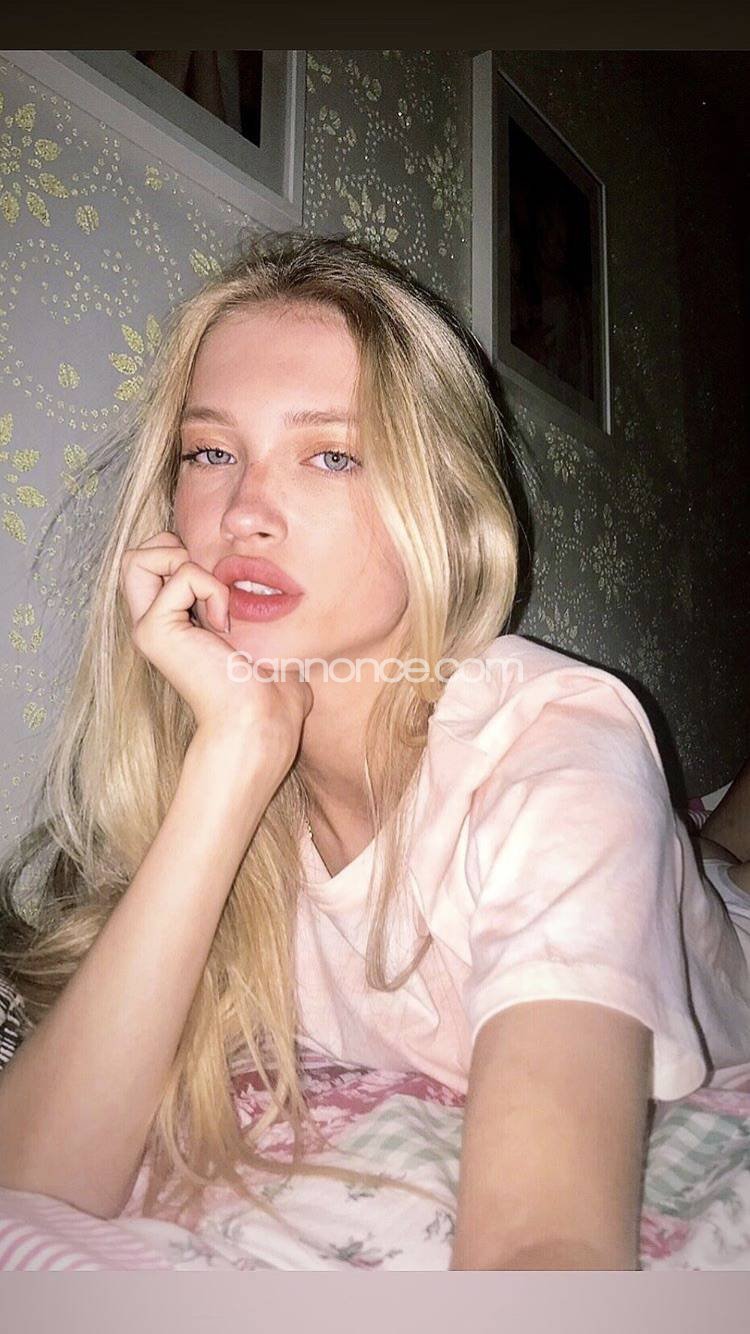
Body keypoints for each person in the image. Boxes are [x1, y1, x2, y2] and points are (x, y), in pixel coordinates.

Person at [0, 231, 749, 1273]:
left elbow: (545, 1247)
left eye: (332, 454)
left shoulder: (556, 743)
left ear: (442, 507)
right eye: (210, 452)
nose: (244, 513)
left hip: (716, 928)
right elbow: (26, 1190)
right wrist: (237, 754)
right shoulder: (212, 748)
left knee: (721, 863)